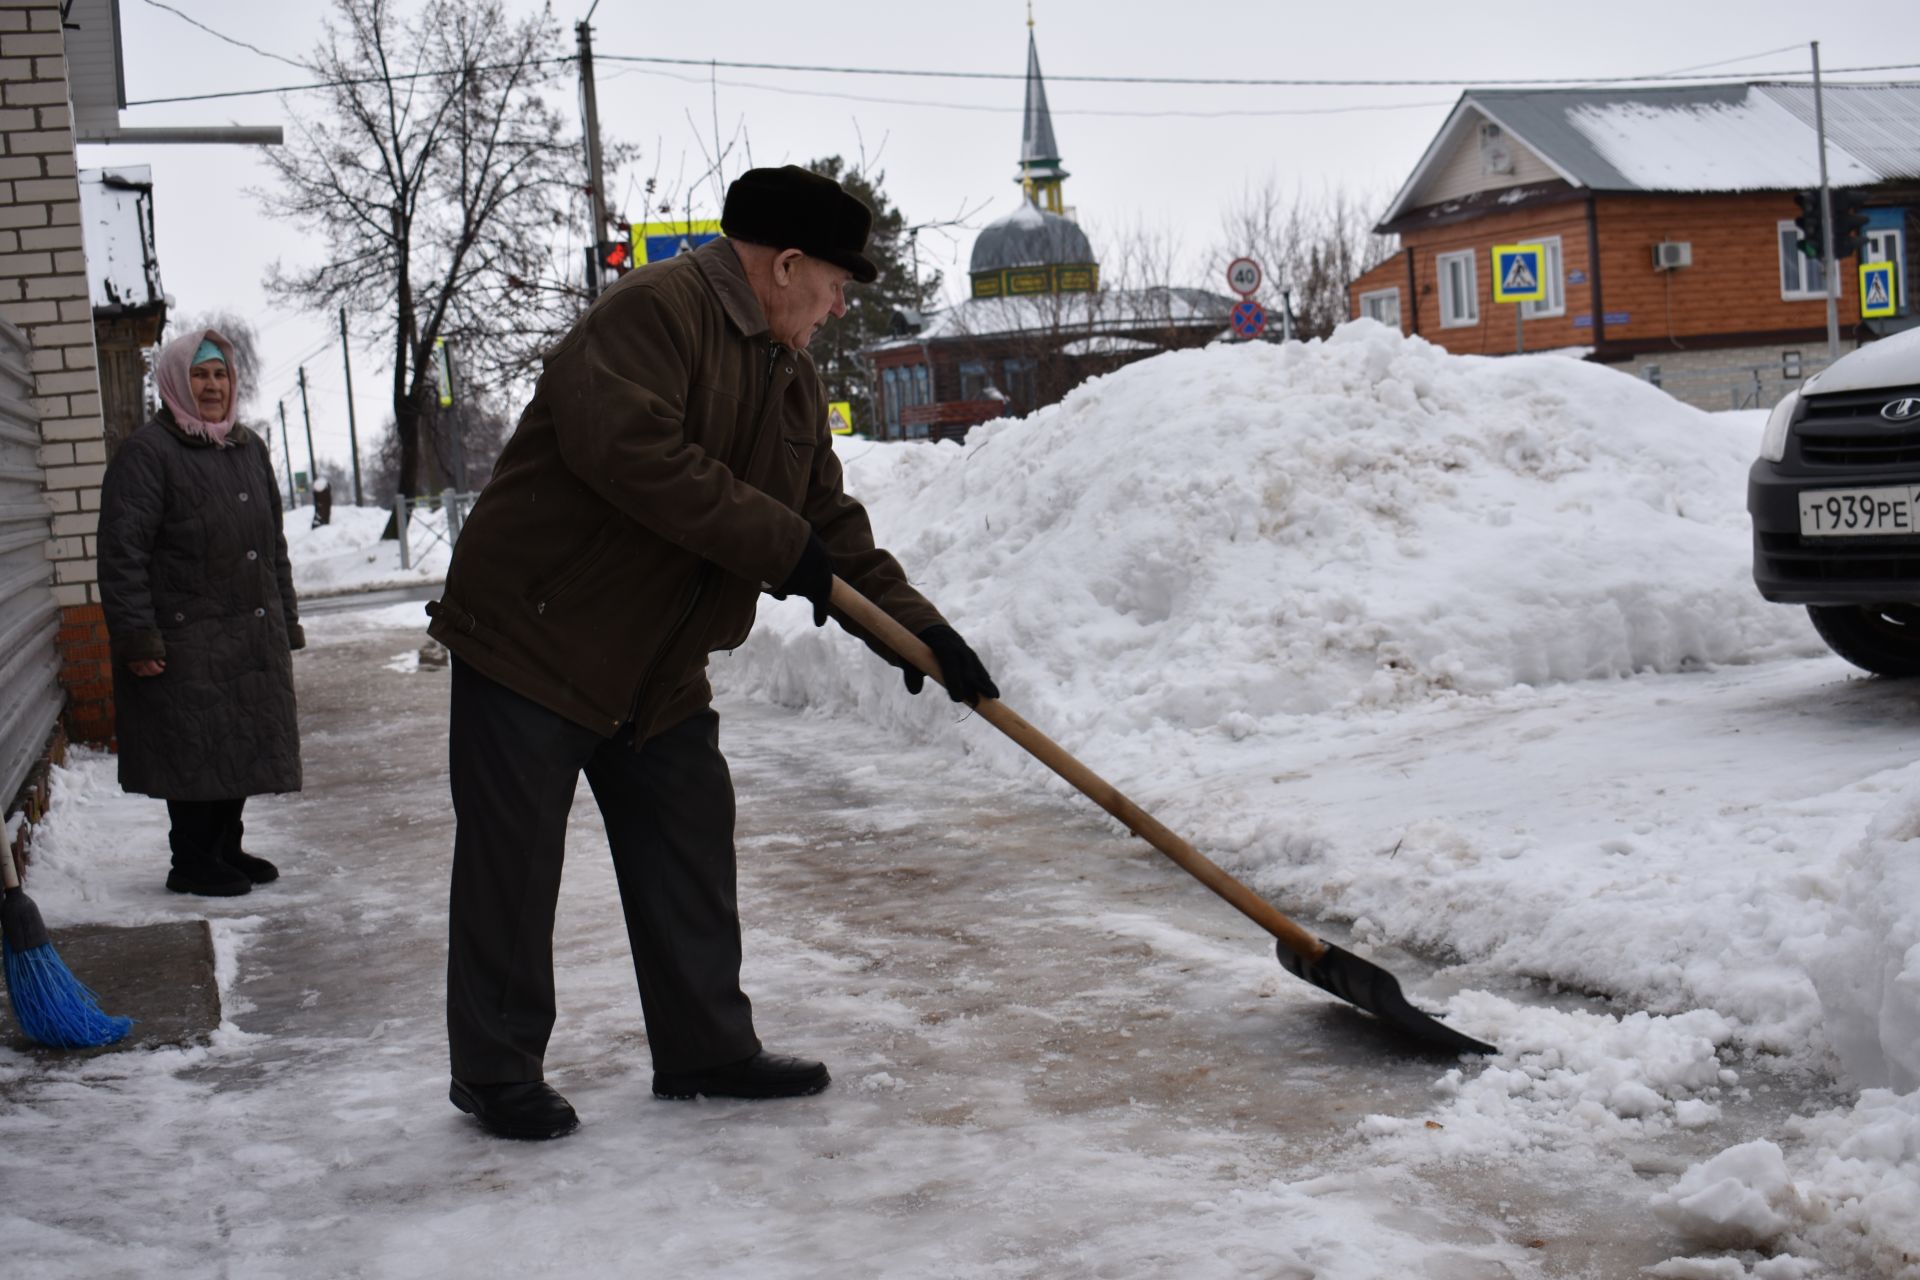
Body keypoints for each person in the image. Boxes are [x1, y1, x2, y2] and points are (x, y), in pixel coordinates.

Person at [426, 165, 998, 1141]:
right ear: (784, 263)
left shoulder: (789, 373)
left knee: (689, 827)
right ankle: (495, 1065)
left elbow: (825, 523)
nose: (839, 302)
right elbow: (635, 455)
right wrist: (786, 552)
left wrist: (920, 630)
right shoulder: (652, 312)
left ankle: (702, 1044)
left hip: (653, 664)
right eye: (835, 282)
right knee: (514, 862)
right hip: (535, 630)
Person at [97, 329, 304, 897]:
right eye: (200, 374)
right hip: (184, 637)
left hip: (246, 631)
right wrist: (137, 636)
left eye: (221, 375)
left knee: (235, 742)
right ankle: (190, 859)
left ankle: (224, 848)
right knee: (192, 746)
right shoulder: (148, 455)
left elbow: (273, 545)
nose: (212, 385)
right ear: (174, 381)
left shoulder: (248, 448)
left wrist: (285, 617)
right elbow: (123, 552)